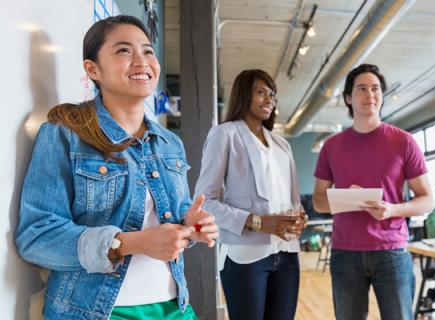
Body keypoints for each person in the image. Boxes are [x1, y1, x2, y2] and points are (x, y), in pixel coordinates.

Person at [15, 15, 218, 320]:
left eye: (148, 51)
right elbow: (37, 238)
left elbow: (167, 221)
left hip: (175, 307)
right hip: (91, 311)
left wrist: (190, 224)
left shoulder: (169, 143)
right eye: (124, 51)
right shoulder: (64, 134)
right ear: (92, 69)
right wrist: (131, 243)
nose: (141, 61)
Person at [312, 63, 434, 320]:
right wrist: (346, 199)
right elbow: (319, 202)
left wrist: (393, 209)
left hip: (392, 251)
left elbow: (427, 200)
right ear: (348, 98)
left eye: (376, 88)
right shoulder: (331, 147)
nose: (370, 94)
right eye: (362, 88)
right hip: (345, 253)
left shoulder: (404, 141)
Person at [194, 69, 307, 320]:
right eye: (260, 92)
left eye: (272, 95)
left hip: (287, 253)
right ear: (244, 95)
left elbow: (294, 201)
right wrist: (257, 222)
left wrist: (299, 218)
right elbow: (205, 203)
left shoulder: (282, 144)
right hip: (245, 257)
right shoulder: (225, 134)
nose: (269, 99)